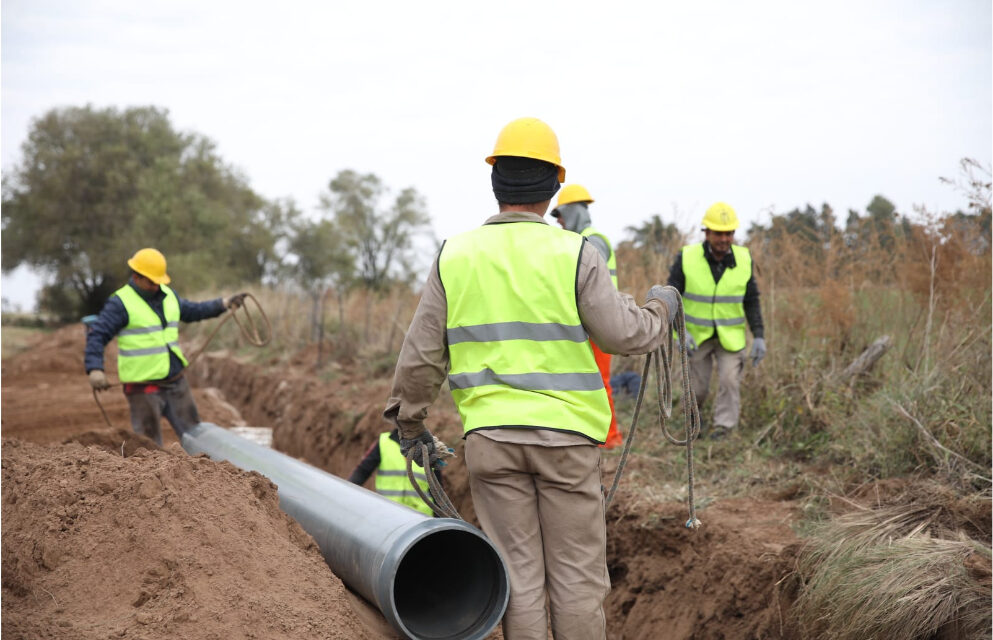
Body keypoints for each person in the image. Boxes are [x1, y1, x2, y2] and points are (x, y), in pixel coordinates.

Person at [383, 117, 678, 640]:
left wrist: (409, 424)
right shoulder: (576, 253)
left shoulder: (456, 254)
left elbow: (422, 355)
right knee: (577, 578)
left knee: (517, 577)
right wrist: (660, 308)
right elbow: (619, 333)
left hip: (493, 444)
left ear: (496, 183)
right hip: (566, 443)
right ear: (553, 189)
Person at [85, 248, 247, 446]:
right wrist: (95, 368)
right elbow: (98, 334)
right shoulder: (120, 303)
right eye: (152, 281)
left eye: (159, 281)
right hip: (142, 387)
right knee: (149, 446)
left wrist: (222, 304)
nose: (156, 286)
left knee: (196, 436)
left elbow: (193, 310)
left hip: (175, 380)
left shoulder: (169, 295)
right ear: (136, 276)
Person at [666, 202, 766, 440]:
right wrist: (680, 333)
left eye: (729, 233)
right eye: (719, 233)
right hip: (695, 337)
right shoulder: (687, 257)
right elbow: (670, 297)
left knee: (730, 381)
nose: (724, 239)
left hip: (730, 338)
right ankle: (693, 422)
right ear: (707, 233)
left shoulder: (744, 259)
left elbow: (751, 300)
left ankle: (724, 428)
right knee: (697, 389)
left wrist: (759, 335)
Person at [551, 184, 623, 449]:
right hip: (587, 325)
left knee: (599, 383)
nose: (558, 221)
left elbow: (590, 287)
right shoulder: (579, 241)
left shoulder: (592, 240)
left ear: (573, 212)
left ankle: (611, 440)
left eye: (560, 214)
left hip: (599, 325)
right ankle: (591, 436)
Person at [347, 427, 442, 516]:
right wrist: (345, 494)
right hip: (387, 515)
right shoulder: (384, 442)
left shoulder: (430, 447)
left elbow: (438, 493)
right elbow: (363, 471)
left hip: (420, 520)